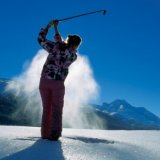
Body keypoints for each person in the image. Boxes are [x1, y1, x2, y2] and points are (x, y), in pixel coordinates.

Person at [37, 20, 81, 140]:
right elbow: (63, 46)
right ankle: (54, 133)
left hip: (44, 81)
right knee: (56, 109)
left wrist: (49, 26)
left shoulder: (54, 46)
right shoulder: (73, 56)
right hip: (58, 83)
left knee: (46, 108)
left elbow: (41, 39)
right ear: (76, 45)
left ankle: (45, 134)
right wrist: (56, 29)